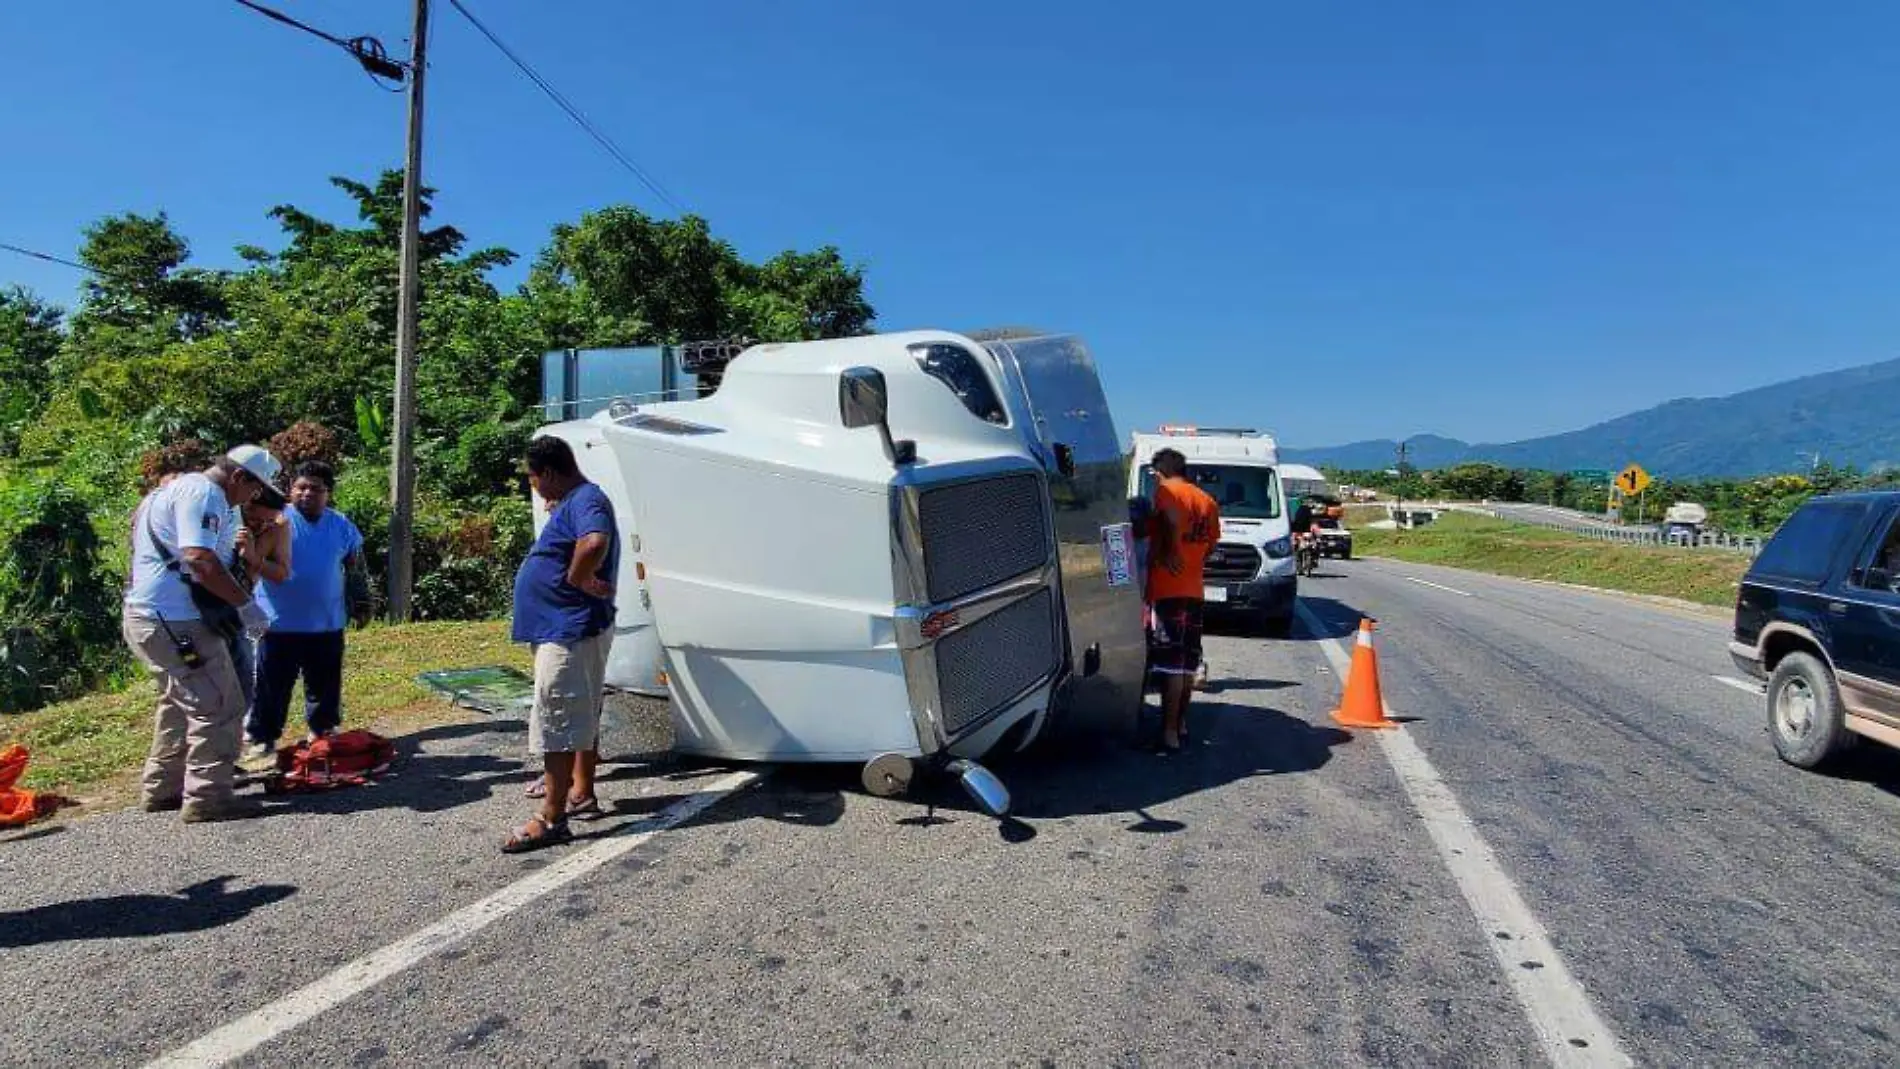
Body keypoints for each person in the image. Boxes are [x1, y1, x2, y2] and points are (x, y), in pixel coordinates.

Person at [122, 445, 283, 822]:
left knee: (180, 702)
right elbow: (199, 559)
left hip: (149, 616)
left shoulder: (170, 491)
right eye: (255, 489)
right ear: (240, 477)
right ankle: (209, 796)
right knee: (220, 704)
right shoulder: (204, 494)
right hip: (178, 621)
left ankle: (163, 787)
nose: (253, 498)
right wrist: (245, 605)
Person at [503, 436, 618, 853]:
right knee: (580, 712)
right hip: (567, 627)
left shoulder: (587, 500)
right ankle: (582, 792)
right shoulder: (577, 500)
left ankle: (551, 818)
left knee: (557, 719)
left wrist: (577, 579)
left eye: (533, 478)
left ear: (549, 472)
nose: (533, 487)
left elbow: (594, 541)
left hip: (567, 630)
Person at [245, 461, 369, 763]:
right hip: (278, 624)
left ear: (328, 493)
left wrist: (362, 599)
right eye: (301, 487)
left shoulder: (340, 524)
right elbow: (251, 562)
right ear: (290, 490)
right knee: (271, 688)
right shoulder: (276, 522)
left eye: (315, 488)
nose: (307, 493)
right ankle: (262, 739)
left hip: (327, 623)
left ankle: (322, 732)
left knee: (325, 686)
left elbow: (356, 564)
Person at [1145, 448, 1221, 752]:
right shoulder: (1207, 500)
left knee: (1171, 666)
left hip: (1167, 589)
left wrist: (1170, 551)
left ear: (1159, 471)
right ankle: (1182, 723)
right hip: (1194, 589)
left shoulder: (1166, 492)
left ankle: (1169, 732)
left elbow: (1169, 517)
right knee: (1188, 663)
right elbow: (1211, 543)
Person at [230, 494, 292, 721]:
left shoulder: (278, 526)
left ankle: (252, 726)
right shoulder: (225, 519)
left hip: (246, 606)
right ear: (244, 505)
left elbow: (282, 573)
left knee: (251, 669)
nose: (260, 526)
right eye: (255, 520)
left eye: (267, 522)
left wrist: (254, 557)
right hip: (213, 607)